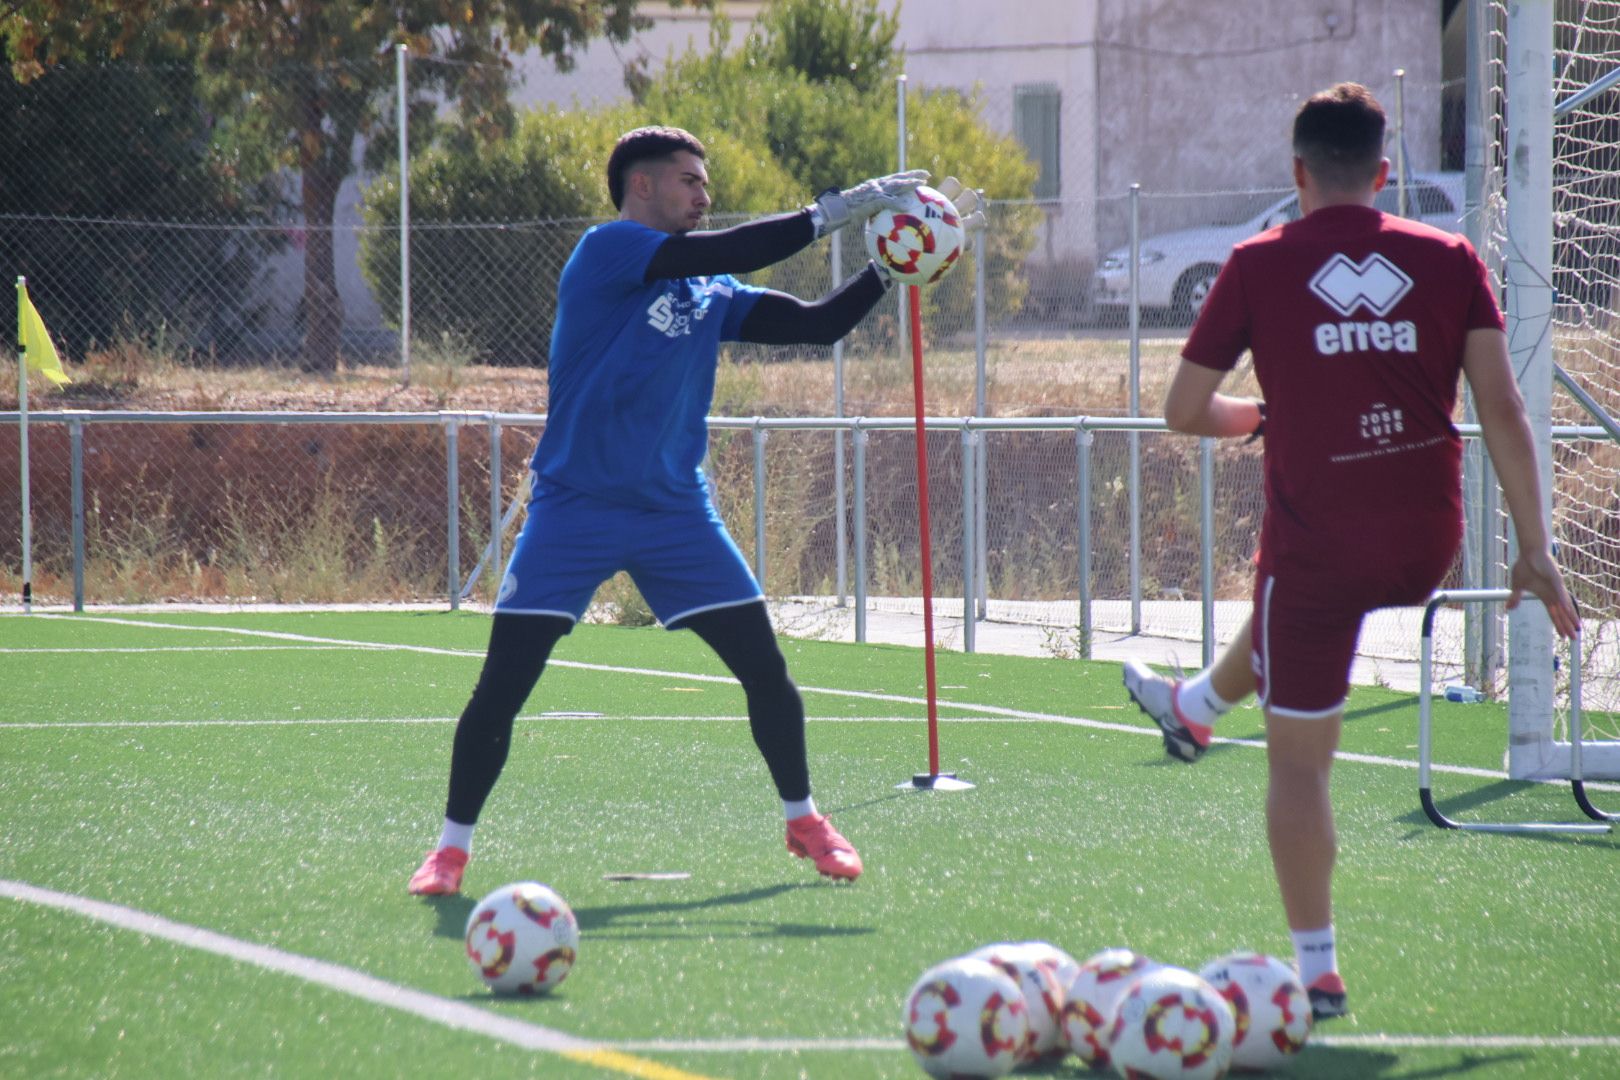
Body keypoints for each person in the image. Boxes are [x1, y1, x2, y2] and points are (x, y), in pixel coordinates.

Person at [408, 125, 980, 896]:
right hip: (573, 508)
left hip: (676, 512)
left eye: (704, 182)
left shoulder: (707, 293)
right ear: (640, 186)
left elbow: (816, 326)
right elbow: (732, 251)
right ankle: (450, 849)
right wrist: (834, 212)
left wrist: (894, 263)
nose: (704, 193)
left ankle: (805, 820)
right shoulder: (605, 251)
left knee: (767, 673)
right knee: (504, 684)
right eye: (689, 180)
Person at [1128, 83, 1580, 1020]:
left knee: (1299, 763)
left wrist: (1256, 418)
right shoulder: (1451, 256)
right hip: (1427, 542)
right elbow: (1503, 407)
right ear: (1383, 175)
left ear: (1297, 173)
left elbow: (1179, 412)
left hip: (1319, 547)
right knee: (1284, 614)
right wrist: (1534, 546)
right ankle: (1198, 705)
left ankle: (1319, 970)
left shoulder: (1257, 263)